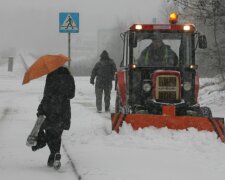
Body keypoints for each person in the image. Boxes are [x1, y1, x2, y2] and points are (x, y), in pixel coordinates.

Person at [31, 66, 75, 169]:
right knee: (57, 134)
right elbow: (71, 95)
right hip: (63, 109)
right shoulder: (69, 77)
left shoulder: (51, 76)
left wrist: (41, 108)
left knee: (50, 132)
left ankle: (53, 153)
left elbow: (46, 94)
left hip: (50, 108)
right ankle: (55, 155)